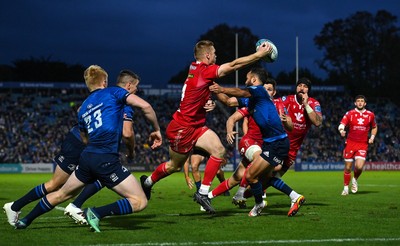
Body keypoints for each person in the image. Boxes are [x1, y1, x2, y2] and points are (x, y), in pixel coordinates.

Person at [13, 65, 162, 232]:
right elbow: (146, 107)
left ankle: (25, 220)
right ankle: (96, 213)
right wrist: (156, 129)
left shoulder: (83, 107)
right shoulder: (113, 92)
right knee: (139, 201)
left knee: (62, 194)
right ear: (104, 81)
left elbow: (85, 139)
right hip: (105, 158)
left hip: (87, 157)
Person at [140, 40, 273, 214]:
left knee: (218, 149)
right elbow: (233, 65)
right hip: (182, 127)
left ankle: (202, 193)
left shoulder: (195, 69)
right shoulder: (204, 70)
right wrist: (258, 56)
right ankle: (148, 182)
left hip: (196, 126)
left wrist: (206, 102)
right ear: (208, 55)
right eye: (215, 53)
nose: (217, 56)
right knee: (175, 166)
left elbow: (196, 92)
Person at [63, 69, 142, 224]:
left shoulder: (107, 97)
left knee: (101, 178)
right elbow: (127, 133)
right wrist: (131, 151)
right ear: (128, 86)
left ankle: (75, 205)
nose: (137, 90)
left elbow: (82, 111)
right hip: (104, 151)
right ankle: (91, 211)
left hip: (96, 149)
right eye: (135, 87)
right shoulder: (122, 101)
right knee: (139, 200)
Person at [210, 67, 290, 217]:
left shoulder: (260, 91)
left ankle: (212, 196)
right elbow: (229, 101)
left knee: (250, 176)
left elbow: (241, 92)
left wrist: (221, 88)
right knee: (256, 175)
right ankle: (263, 200)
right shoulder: (253, 100)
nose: (245, 80)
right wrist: (215, 90)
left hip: (274, 143)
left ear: (253, 80)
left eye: (247, 77)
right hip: (260, 143)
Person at [339, 95, 377, 195]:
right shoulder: (350, 113)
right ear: (355, 103)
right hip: (350, 143)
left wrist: (372, 137)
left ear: (365, 103)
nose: (360, 103)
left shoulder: (370, 115)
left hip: (362, 144)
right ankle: (346, 188)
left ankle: (355, 179)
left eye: (362, 101)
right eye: (358, 101)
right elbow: (342, 124)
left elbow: (374, 127)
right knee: (348, 167)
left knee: (359, 167)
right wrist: (341, 130)